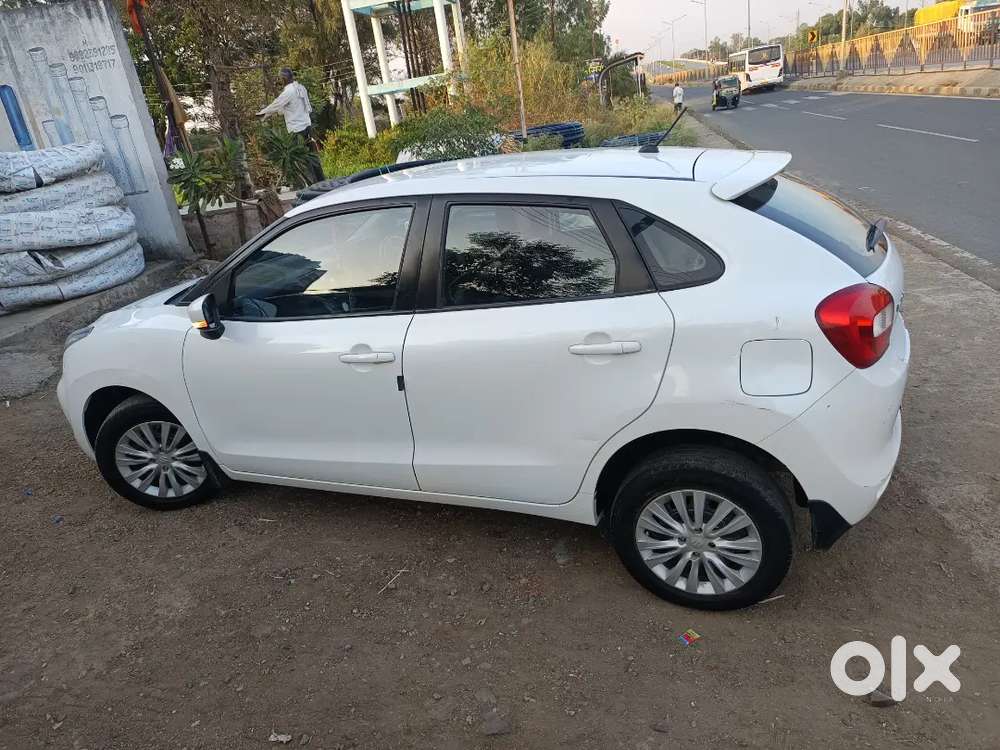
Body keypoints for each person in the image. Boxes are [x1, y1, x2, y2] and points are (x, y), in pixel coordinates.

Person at [257, 68, 324, 184]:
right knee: (313, 157)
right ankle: (322, 182)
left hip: (297, 131)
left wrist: (261, 114)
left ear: (283, 78)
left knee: (301, 160)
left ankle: (313, 186)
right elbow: (285, 108)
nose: (279, 80)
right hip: (307, 126)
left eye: (280, 78)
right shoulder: (301, 88)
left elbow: (276, 104)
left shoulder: (288, 92)